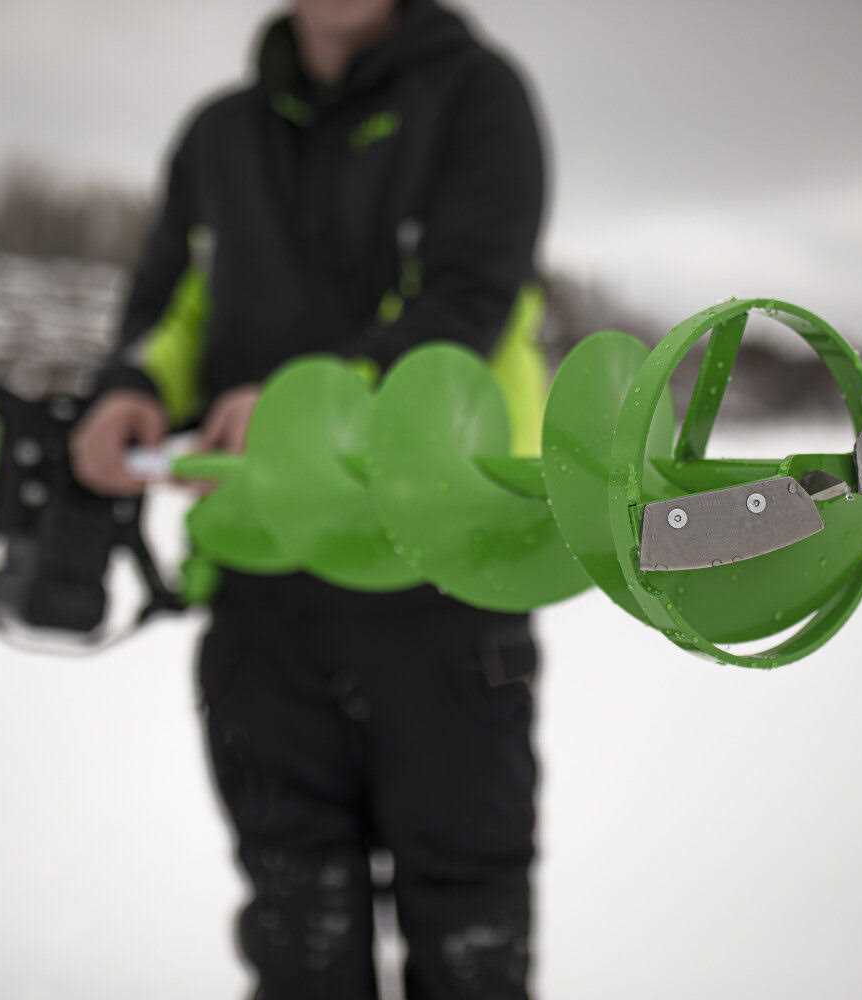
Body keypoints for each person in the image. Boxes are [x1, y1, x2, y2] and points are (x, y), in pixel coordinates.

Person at [72, 1, 547, 997]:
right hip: (261, 567)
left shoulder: (476, 96)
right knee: (296, 913)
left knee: (468, 919)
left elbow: (466, 300)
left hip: (440, 564)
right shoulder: (219, 133)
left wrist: (307, 406)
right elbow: (172, 309)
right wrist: (132, 387)